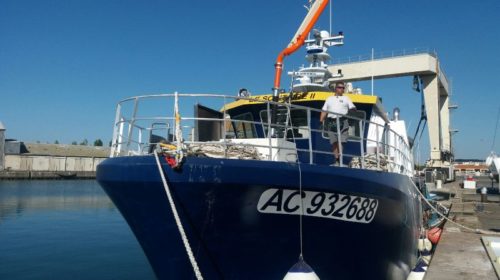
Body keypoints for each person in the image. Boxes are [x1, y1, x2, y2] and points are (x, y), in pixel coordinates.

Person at [319, 81, 356, 165]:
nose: (342, 89)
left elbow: (352, 107)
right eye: (340, 87)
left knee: (341, 141)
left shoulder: (346, 98)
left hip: (343, 121)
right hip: (332, 122)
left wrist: (353, 109)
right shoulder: (329, 99)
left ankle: (339, 158)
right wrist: (321, 122)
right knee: (334, 142)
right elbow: (324, 110)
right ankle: (336, 158)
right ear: (336, 88)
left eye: (343, 88)